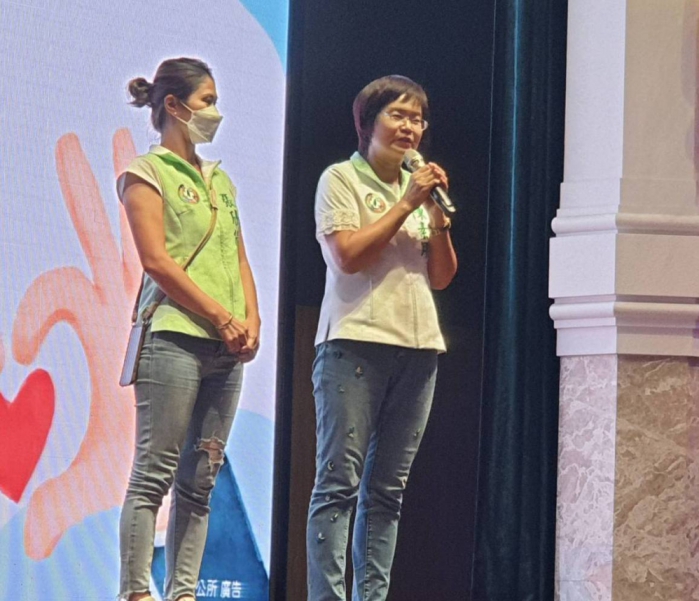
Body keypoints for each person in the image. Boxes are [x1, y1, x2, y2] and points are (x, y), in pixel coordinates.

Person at [306, 75, 458, 601]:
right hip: (354, 344)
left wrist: (435, 216)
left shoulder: (417, 190)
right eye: (398, 115)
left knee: (388, 491)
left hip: (418, 347)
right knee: (338, 485)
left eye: (417, 118)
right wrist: (407, 205)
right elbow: (347, 256)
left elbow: (441, 276)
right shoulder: (340, 178)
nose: (410, 127)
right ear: (368, 122)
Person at [116, 57, 260, 601]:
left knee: (200, 482)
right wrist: (220, 315)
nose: (214, 112)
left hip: (226, 347)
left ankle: (183, 593)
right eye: (207, 102)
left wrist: (251, 318)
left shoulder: (220, 180)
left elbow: (238, 257)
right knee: (154, 474)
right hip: (174, 337)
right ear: (173, 106)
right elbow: (156, 261)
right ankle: (136, 592)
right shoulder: (145, 173)